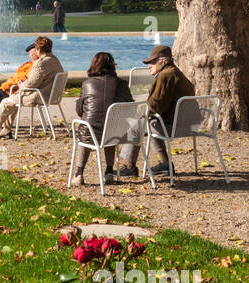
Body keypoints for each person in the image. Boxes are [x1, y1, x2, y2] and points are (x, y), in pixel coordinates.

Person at [116, 45, 194, 177]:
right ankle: (163, 163)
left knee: (139, 123)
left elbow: (156, 106)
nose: (149, 66)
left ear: (163, 61)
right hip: (187, 124)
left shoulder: (165, 76)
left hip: (173, 126)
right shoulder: (176, 73)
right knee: (142, 121)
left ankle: (131, 166)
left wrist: (137, 110)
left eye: (152, 62)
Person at [0, 36, 64, 139]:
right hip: (51, 95)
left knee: (6, 102)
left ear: (39, 49)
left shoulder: (41, 63)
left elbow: (31, 84)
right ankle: (6, 130)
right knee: (13, 100)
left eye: (36, 49)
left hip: (39, 96)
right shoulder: (55, 60)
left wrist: (21, 85)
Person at [69, 52, 133, 186]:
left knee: (86, 128)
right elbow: (130, 106)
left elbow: (79, 111)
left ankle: (79, 174)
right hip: (115, 132)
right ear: (112, 65)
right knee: (110, 128)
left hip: (90, 133)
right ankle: (109, 171)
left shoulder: (87, 84)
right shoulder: (121, 84)